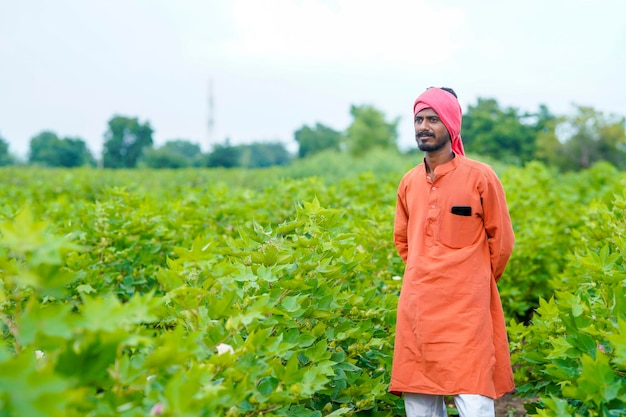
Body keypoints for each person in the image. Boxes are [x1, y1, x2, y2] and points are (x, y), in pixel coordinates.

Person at [389, 87, 515, 417]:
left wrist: (471, 279)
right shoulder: (409, 182)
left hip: (466, 310)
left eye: (433, 119)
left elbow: (501, 243)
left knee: (473, 400)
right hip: (418, 306)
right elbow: (403, 241)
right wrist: (426, 270)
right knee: (420, 402)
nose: (423, 126)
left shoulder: (480, 177)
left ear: (451, 125)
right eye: (418, 120)